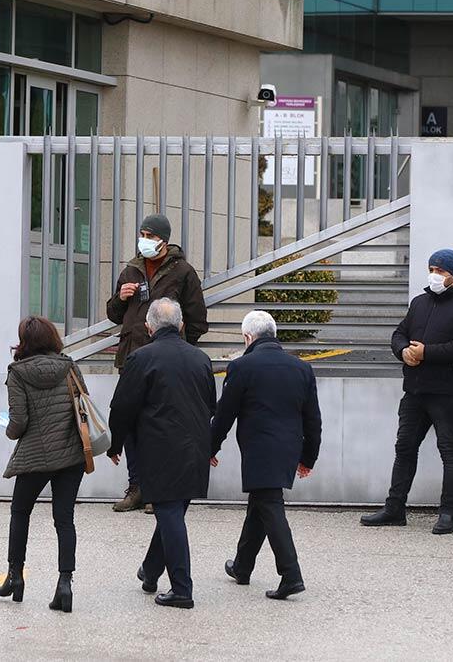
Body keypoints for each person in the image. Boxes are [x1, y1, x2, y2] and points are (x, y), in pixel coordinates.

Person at [360, 249, 453, 535]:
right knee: (404, 447)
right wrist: (403, 351)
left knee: (449, 450)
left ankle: (448, 513)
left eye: (440, 271)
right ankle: (394, 508)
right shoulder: (419, 302)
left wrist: (426, 352)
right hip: (415, 390)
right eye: (431, 269)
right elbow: (399, 334)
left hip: (448, 392)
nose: (434, 275)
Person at [108, 298, 216, 609]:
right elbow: (211, 405)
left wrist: (116, 444)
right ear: (181, 325)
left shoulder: (141, 358)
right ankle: (151, 570)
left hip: (160, 448)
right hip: (196, 447)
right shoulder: (200, 359)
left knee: (169, 513)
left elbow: (122, 407)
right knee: (172, 512)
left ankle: (182, 589)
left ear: (148, 327)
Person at [211, 310, 321, 600]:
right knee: (259, 505)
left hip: (259, 449)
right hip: (289, 449)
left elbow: (224, 415)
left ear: (248, 337)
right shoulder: (301, 368)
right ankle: (242, 566)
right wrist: (308, 457)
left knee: (269, 505)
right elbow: (313, 419)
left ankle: (291, 575)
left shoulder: (242, 367)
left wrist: (210, 447)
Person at [105, 214, 209, 513]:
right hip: (133, 357)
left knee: (162, 425)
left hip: (168, 362)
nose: (144, 241)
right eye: (142, 235)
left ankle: (158, 491)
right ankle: (137, 487)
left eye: (150, 236)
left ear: (163, 239)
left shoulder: (183, 271)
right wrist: (121, 298)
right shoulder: (131, 269)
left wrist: (182, 349)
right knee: (132, 423)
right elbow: (113, 314)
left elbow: (197, 318)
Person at [0, 316, 87, 614]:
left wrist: (9, 430)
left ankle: (15, 577)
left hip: (36, 456)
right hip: (71, 454)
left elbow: (19, 421)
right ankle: (65, 584)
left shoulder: (18, 372)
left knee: (20, 512)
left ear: (25, 342)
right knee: (64, 519)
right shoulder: (69, 365)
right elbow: (83, 403)